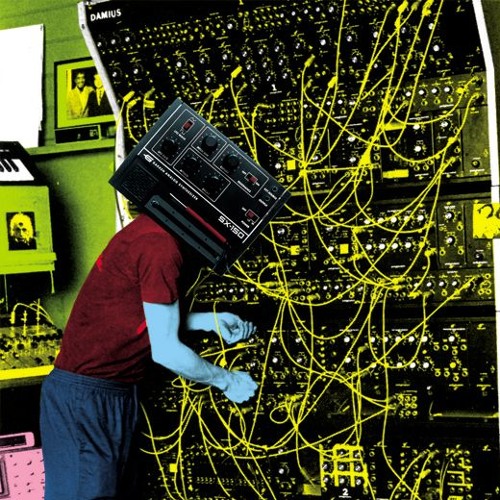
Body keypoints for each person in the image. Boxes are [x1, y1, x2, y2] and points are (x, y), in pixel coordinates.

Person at [39, 212, 258, 499]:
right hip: (86, 397)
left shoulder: (152, 231)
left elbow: (139, 316)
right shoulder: (159, 245)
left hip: (112, 393)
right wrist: (228, 381)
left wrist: (209, 321)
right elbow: (166, 351)